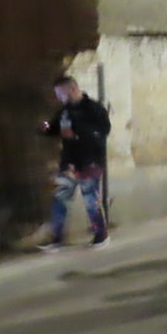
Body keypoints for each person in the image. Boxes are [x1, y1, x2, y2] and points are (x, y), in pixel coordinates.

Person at [38, 75, 112, 251]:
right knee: (60, 198)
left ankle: (101, 235)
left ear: (72, 89)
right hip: (69, 162)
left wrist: (78, 134)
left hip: (90, 160)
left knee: (90, 199)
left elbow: (103, 131)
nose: (58, 97)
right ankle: (56, 238)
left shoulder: (93, 108)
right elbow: (55, 127)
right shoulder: (64, 111)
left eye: (60, 93)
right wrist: (46, 128)